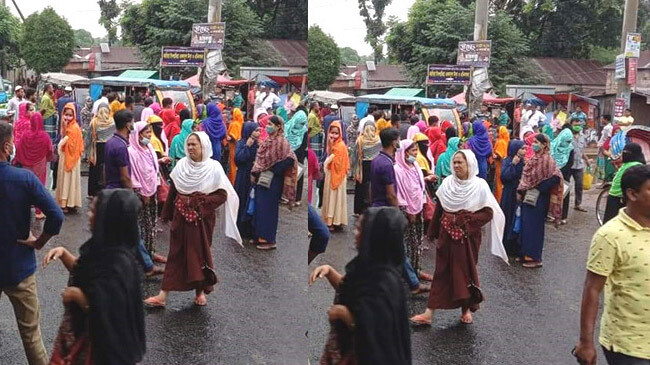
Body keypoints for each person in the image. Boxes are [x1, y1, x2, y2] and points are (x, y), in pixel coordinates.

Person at [43, 189, 146, 365]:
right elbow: (86, 274)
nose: (89, 215)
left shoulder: (119, 265)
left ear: (108, 219)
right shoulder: (102, 250)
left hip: (101, 351)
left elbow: (109, 311)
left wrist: (77, 296)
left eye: (94, 211)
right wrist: (63, 253)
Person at [410, 150, 507, 326]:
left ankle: (466, 309)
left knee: (465, 273)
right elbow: (440, 208)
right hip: (447, 237)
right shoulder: (447, 183)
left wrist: (466, 221)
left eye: (460, 163)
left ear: (469, 164)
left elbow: (487, 213)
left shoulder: (480, 186)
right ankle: (429, 313)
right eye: (454, 162)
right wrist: (432, 233)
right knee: (441, 272)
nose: (456, 166)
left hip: (468, 239)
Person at [144, 132, 241, 307]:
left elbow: (222, 195)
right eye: (188, 145)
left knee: (199, 255)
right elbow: (174, 190)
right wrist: (166, 215)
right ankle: (162, 295)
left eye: (194, 145)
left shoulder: (214, 168)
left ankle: (200, 292)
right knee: (175, 254)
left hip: (202, 221)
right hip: (181, 219)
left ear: (203, 146)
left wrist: (200, 203)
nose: (190, 148)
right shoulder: (182, 165)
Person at [310, 207, 412, 365]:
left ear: (374, 237)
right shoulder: (367, 267)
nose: (355, 233)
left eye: (359, 229)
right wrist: (329, 271)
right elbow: (350, 291)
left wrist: (344, 314)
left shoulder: (385, 283)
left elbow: (376, 331)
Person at [0, 121, 64, 365]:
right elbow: (56, 215)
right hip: (19, 267)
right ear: (7, 147)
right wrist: (39, 242)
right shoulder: (23, 178)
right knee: (31, 335)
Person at [573, 164, 650, 365]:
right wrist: (585, 342)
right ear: (632, 194)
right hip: (629, 346)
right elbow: (592, 289)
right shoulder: (610, 236)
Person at [370, 128, 428, 295]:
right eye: (398, 140)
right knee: (396, 248)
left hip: (376, 208)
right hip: (386, 211)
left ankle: (408, 282)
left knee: (388, 249)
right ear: (394, 142)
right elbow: (391, 194)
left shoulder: (377, 160)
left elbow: (372, 188)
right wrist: (397, 215)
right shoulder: (388, 165)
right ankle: (410, 284)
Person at [251, 116, 297, 250]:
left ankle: (269, 240)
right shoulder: (267, 141)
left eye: (271, 124)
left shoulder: (282, 142)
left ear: (278, 127)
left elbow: (290, 159)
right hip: (262, 179)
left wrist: (274, 169)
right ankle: (259, 236)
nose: (268, 126)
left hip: (273, 182)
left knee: (269, 210)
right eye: (268, 124)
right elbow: (260, 159)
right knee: (260, 208)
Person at [517, 134, 563, 268]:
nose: (534, 144)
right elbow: (526, 177)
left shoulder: (547, 160)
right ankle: (525, 254)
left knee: (535, 227)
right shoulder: (533, 159)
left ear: (544, 145)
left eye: (537, 142)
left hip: (539, 199)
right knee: (526, 226)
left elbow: (556, 177)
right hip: (528, 196)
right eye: (533, 142)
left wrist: (539, 187)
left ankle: (535, 258)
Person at [395, 139, 434, 282]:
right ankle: (408, 274)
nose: (415, 153)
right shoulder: (398, 170)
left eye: (416, 150)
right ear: (404, 153)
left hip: (418, 208)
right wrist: (408, 210)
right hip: (407, 211)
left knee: (417, 241)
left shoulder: (415, 166)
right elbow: (400, 192)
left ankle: (416, 269)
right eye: (412, 151)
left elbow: (418, 185)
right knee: (408, 243)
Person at [129, 121, 165, 263]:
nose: (149, 136)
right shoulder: (132, 152)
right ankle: (142, 258)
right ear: (138, 135)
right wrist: (142, 192)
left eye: (150, 132)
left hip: (152, 190)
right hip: (141, 193)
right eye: (146, 133)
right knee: (142, 225)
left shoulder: (149, 148)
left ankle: (150, 251)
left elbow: (153, 168)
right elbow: (134, 175)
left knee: (152, 224)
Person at [13, 112, 54, 219]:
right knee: (39, 186)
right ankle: (38, 211)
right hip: (39, 165)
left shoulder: (25, 135)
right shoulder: (45, 136)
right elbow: (50, 150)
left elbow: (19, 148)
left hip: (26, 165)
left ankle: (25, 210)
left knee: (26, 187)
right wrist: (48, 158)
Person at [602, 143, 646, 224]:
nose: (625, 154)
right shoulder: (636, 166)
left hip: (614, 197)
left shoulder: (630, 165)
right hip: (621, 199)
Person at [55, 103, 83, 213]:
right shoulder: (66, 126)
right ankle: (65, 204)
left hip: (72, 158)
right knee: (66, 180)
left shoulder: (75, 127)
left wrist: (61, 143)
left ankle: (70, 203)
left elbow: (69, 142)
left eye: (70, 115)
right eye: (66, 114)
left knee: (70, 181)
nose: (67, 117)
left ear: (74, 116)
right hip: (66, 157)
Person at [499, 140, 525, 257]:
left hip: (519, 194)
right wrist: (513, 165)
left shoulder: (524, 162)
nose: (524, 150)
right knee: (508, 217)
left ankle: (515, 246)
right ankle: (506, 245)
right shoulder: (508, 161)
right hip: (509, 194)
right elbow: (504, 177)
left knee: (517, 219)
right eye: (522, 148)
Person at [322, 121, 350, 231]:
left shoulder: (340, 146)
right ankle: (332, 222)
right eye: (332, 132)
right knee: (333, 198)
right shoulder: (332, 144)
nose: (333, 135)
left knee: (335, 199)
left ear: (340, 134)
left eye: (336, 133)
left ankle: (335, 222)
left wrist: (328, 161)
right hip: (333, 174)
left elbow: (334, 161)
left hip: (338, 176)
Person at [234, 122, 260, 238]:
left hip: (253, 176)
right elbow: (238, 160)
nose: (258, 132)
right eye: (256, 130)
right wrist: (247, 147)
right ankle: (239, 227)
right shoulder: (242, 143)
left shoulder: (258, 144)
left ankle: (249, 228)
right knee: (242, 198)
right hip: (243, 175)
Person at [353, 121, 381, 216]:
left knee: (361, 186)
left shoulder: (360, 140)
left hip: (363, 165)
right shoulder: (378, 140)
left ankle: (359, 209)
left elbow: (355, 155)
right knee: (374, 186)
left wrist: (354, 169)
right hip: (376, 165)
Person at [87, 104, 115, 197]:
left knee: (95, 168)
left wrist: (88, 152)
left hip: (97, 147)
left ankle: (94, 191)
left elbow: (89, 138)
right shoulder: (112, 122)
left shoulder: (94, 122)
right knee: (108, 168)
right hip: (110, 147)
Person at [568, 120, 591, 212]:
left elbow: (581, 151)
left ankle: (578, 204)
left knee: (579, 185)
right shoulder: (568, 136)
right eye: (575, 125)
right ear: (571, 125)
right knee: (566, 186)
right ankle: (562, 204)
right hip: (569, 165)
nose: (577, 127)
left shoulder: (582, 137)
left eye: (579, 125)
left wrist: (586, 160)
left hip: (579, 165)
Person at [227, 107, 244, 183]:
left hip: (233, 147)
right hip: (239, 147)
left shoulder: (234, 124)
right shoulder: (241, 123)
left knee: (232, 166)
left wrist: (226, 137)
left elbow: (233, 137)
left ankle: (233, 181)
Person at [493, 126, 510, 202]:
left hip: (499, 165)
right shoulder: (507, 141)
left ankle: (499, 200)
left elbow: (499, 156)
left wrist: (493, 155)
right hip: (505, 165)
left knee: (498, 184)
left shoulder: (500, 142)